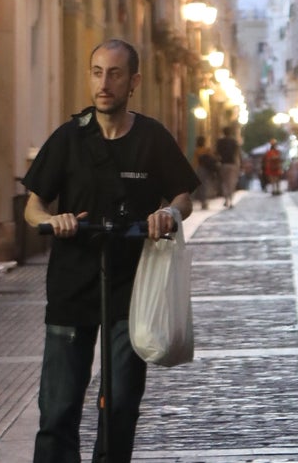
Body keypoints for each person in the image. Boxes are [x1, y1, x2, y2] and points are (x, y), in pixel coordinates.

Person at [23, 39, 196, 463]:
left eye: (115, 73)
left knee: (119, 404)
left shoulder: (152, 137)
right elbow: (32, 207)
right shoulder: (68, 138)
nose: (104, 83)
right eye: (97, 72)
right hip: (71, 284)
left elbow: (183, 194)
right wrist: (53, 220)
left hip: (132, 287)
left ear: (133, 81)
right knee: (59, 407)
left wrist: (169, 213)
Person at [215, 122, 241, 207]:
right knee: (232, 182)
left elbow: (217, 153)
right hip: (232, 164)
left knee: (224, 182)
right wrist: (239, 165)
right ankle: (231, 200)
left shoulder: (220, 142)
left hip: (223, 164)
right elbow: (237, 153)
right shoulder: (234, 141)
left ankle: (226, 199)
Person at [194, 135, 218, 209]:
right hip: (208, 169)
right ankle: (205, 201)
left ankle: (203, 201)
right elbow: (213, 158)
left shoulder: (197, 150)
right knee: (207, 185)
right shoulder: (207, 150)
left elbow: (195, 162)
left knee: (202, 186)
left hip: (200, 169)